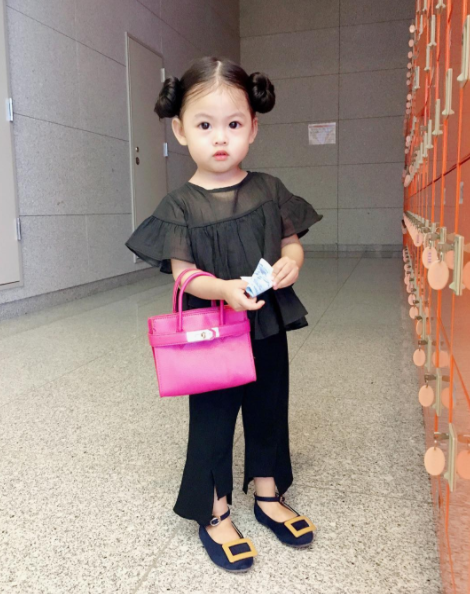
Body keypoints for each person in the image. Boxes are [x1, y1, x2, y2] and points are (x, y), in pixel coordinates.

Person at [125, 56, 323, 573]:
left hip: (265, 320)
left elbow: (291, 242)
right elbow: (184, 275)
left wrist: (292, 262)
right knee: (213, 418)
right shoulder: (180, 205)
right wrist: (222, 290)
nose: (220, 138)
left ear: (253, 128)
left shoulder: (269, 189)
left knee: (269, 405)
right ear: (180, 130)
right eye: (204, 125)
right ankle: (213, 509)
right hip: (212, 332)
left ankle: (268, 490)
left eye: (234, 124)